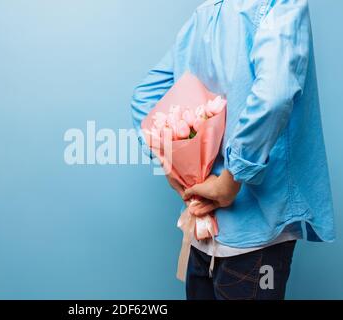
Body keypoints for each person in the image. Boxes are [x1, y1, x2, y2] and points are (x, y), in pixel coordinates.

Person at [131, 0, 335, 300]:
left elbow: (144, 98)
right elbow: (275, 95)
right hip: (255, 235)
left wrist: (175, 166)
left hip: (202, 229)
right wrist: (231, 180)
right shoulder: (278, 6)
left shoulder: (206, 13)